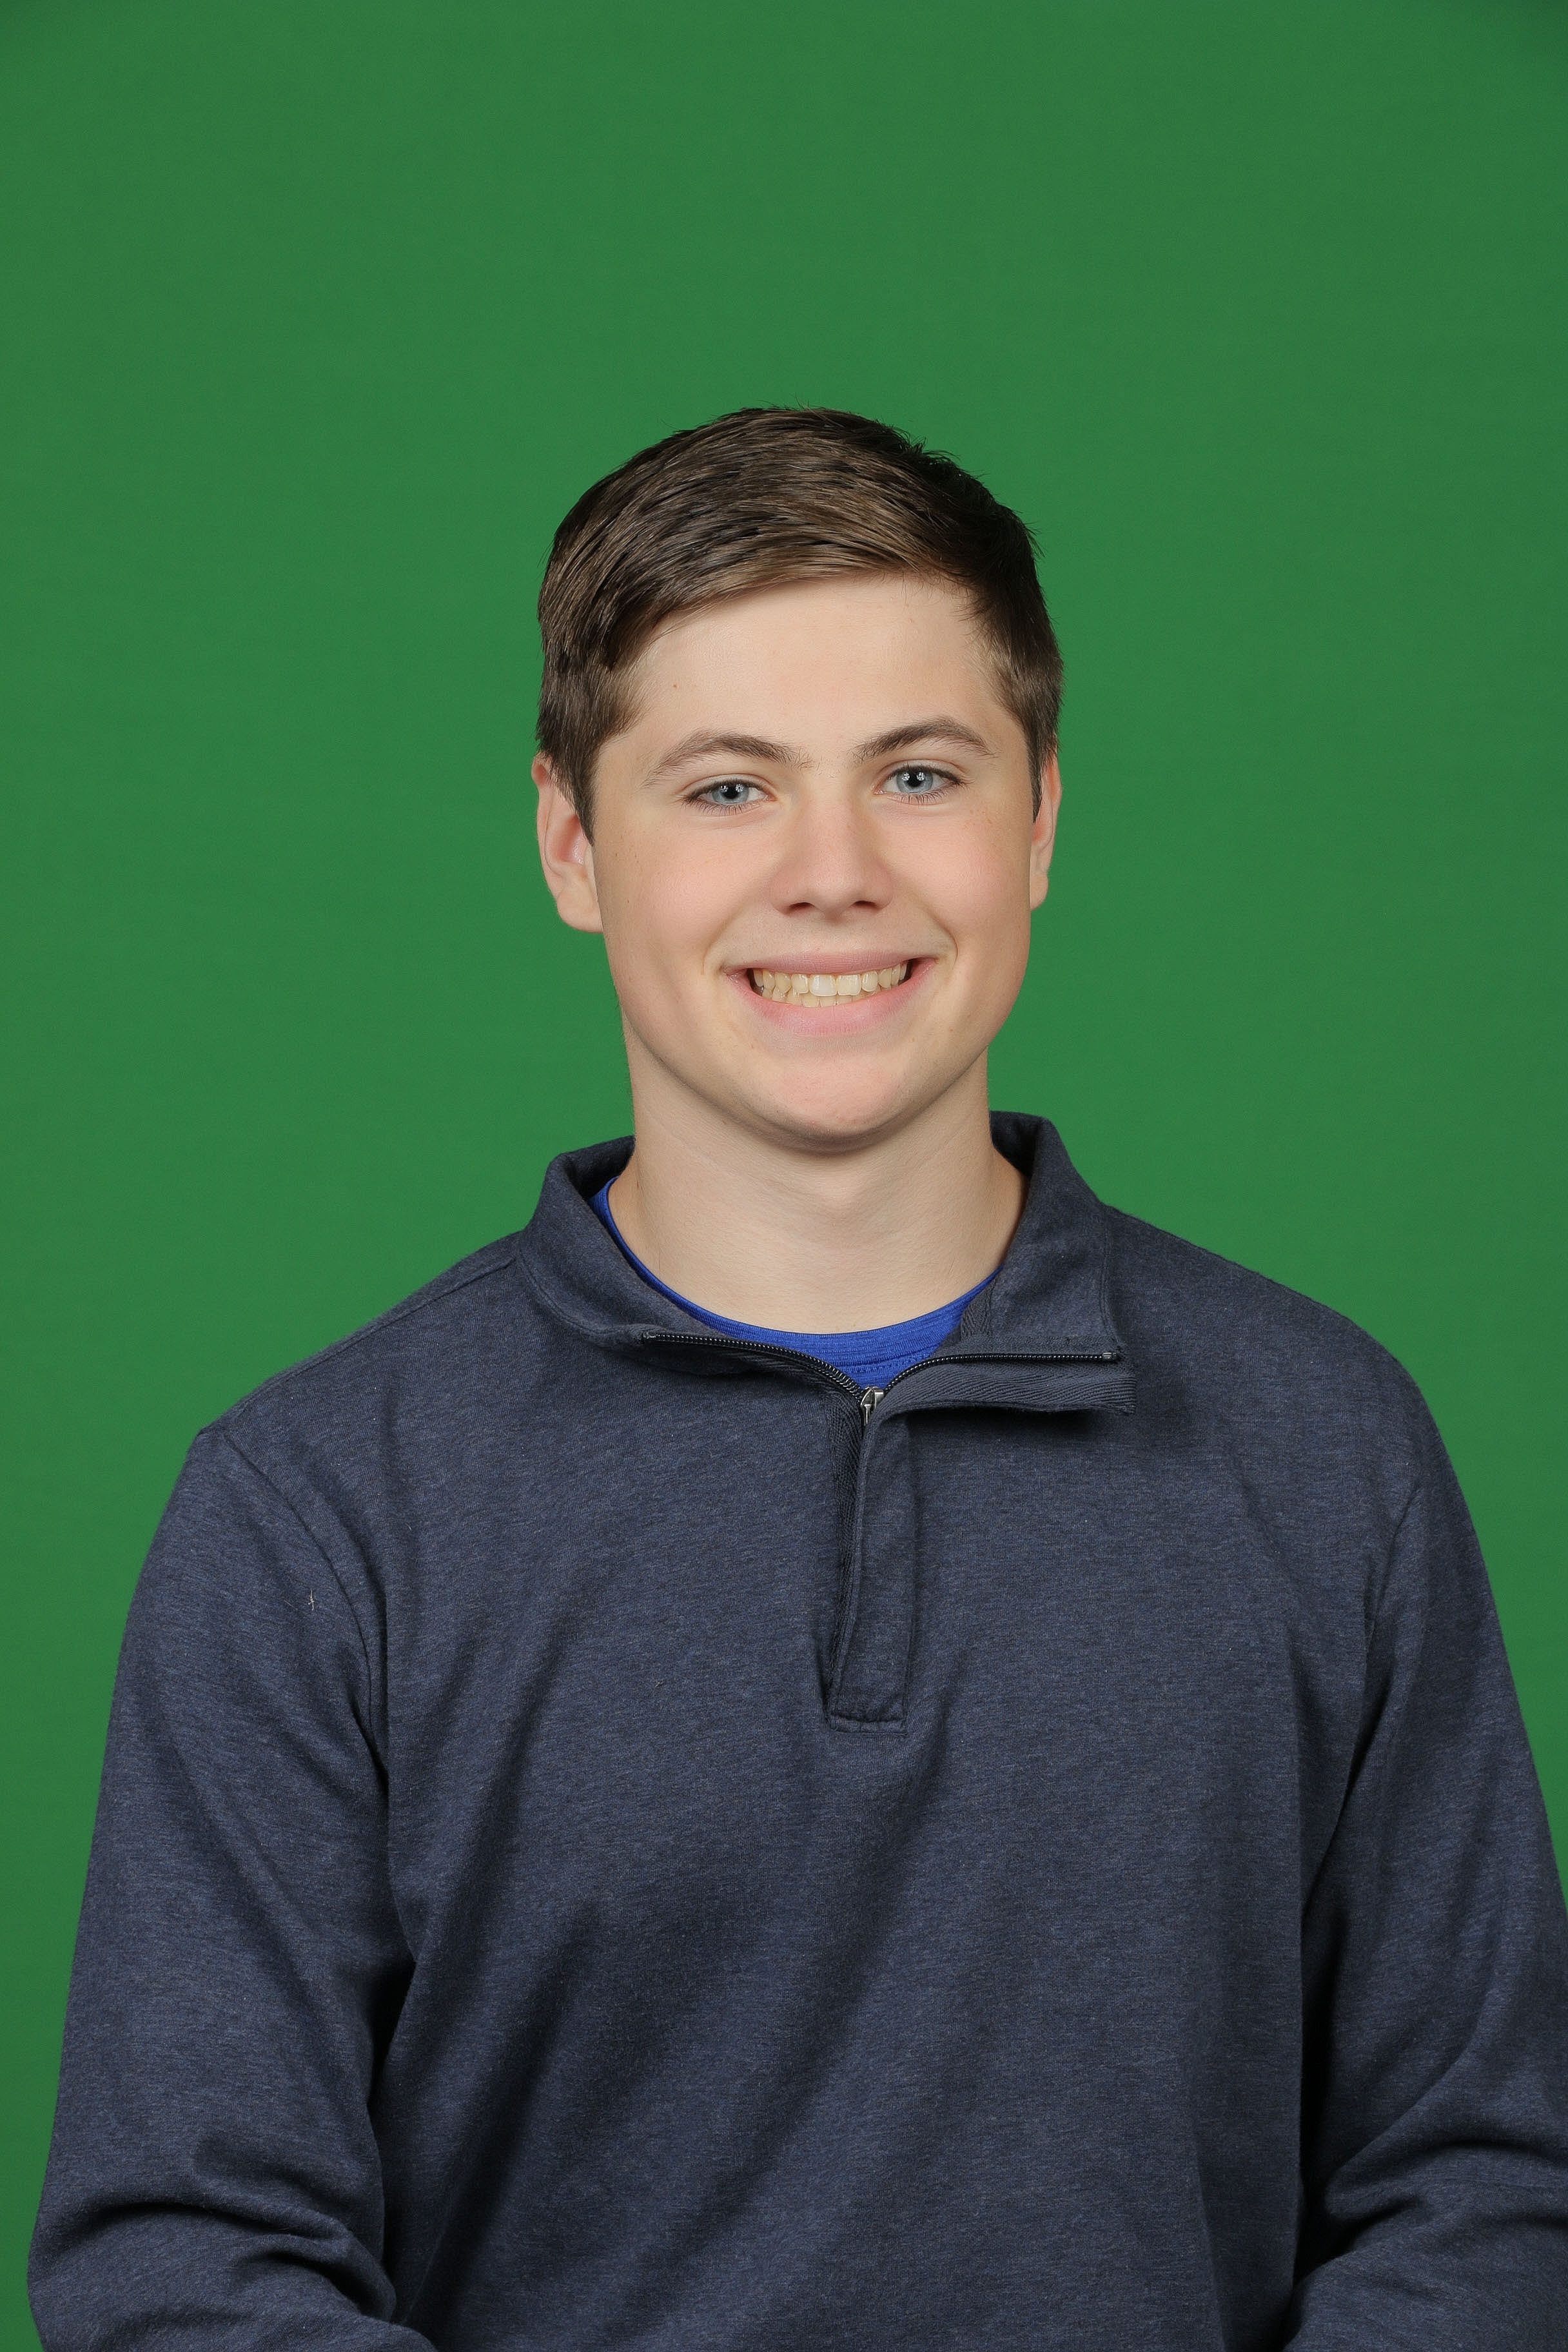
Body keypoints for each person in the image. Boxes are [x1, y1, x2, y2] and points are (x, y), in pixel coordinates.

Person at [30, 407, 1568, 2351]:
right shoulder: (316, 1511)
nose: (833, 874)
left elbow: (1486, 2185)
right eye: (729, 788)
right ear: (572, 844)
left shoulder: (1328, 1449)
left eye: (918, 774)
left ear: (1040, 820)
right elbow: (186, 2262)